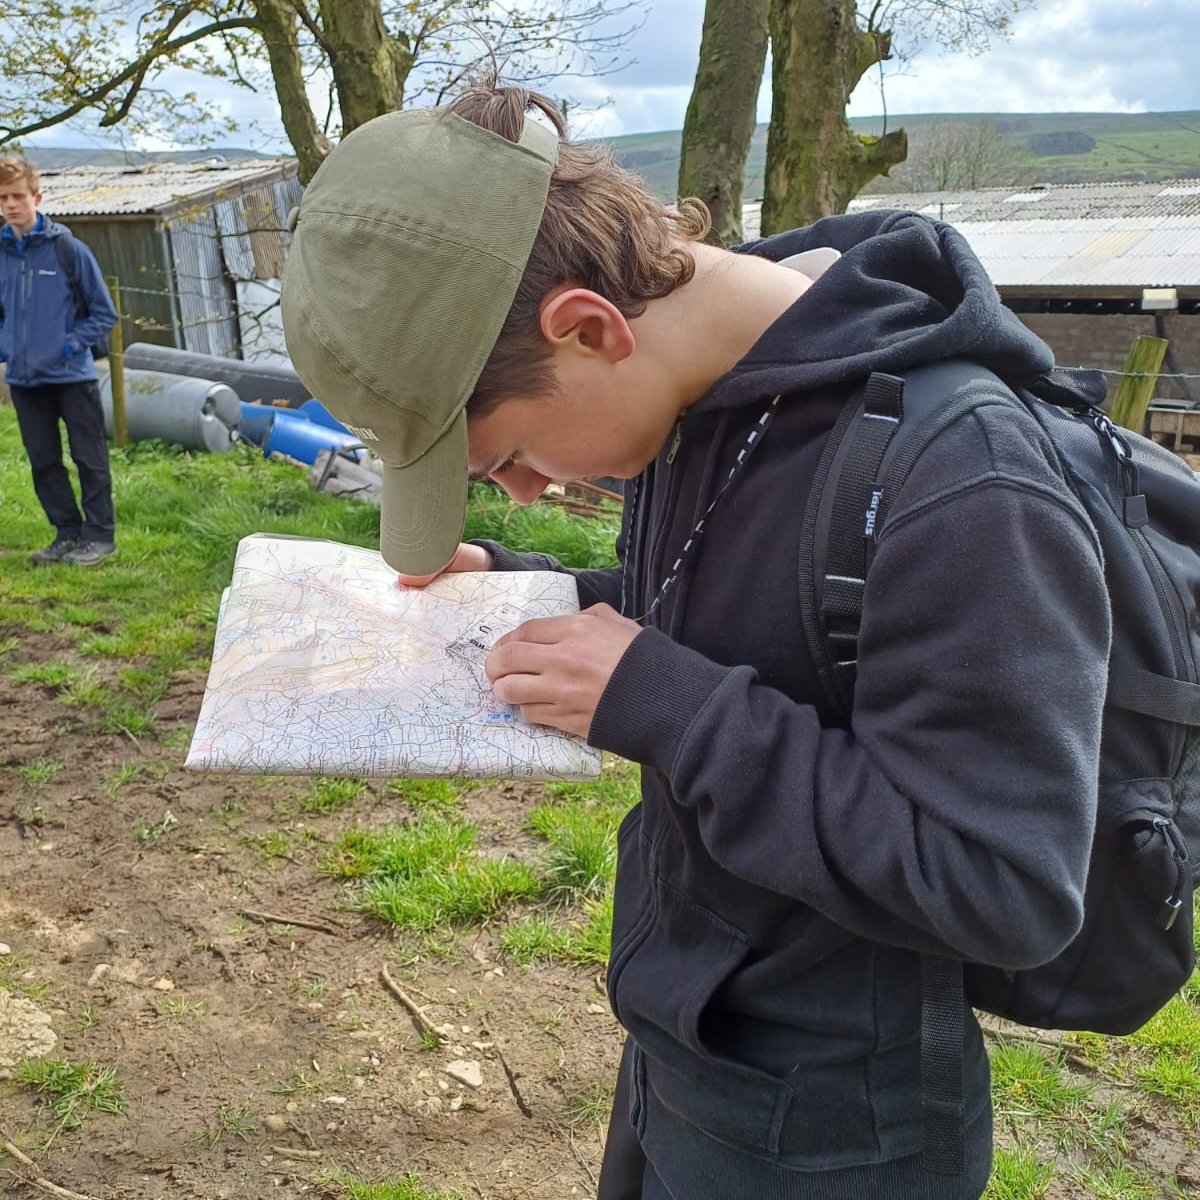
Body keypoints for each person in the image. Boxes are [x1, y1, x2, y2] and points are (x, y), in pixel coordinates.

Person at [281, 83, 1110, 1199]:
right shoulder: (699, 394)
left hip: (833, 1131)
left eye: (508, 454)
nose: (525, 488)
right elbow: (752, 611)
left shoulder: (964, 485)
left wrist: (668, 703)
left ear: (589, 328)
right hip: (691, 1032)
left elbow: (1006, 885)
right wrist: (530, 587)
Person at [0, 156, 118, 566]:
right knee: (45, 463)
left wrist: (67, 346)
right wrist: (8, 348)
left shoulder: (68, 249)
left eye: (18, 196)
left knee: (89, 458)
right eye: (3, 198)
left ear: (37, 197)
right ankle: (66, 534)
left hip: (72, 376)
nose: (11, 205)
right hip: (24, 380)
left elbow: (104, 314)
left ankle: (100, 538)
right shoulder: (1, 253)